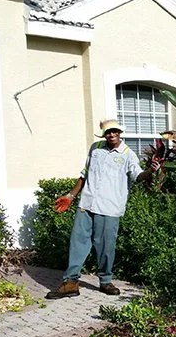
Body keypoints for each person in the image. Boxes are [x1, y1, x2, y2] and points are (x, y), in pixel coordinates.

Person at [47, 119, 152, 299]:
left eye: (114, 131)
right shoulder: (95, 148)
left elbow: (138, 176)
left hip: (109, 207)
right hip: (86, 204)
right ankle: (70, 283)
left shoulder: (128, 154)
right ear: (104, 134)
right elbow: (84, 174)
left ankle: (105, 281)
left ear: (120, 133)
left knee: (105, 246)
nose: (111, 135)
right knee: (77, 242)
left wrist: (151, 170)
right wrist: (70, 196)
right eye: (108, 132)